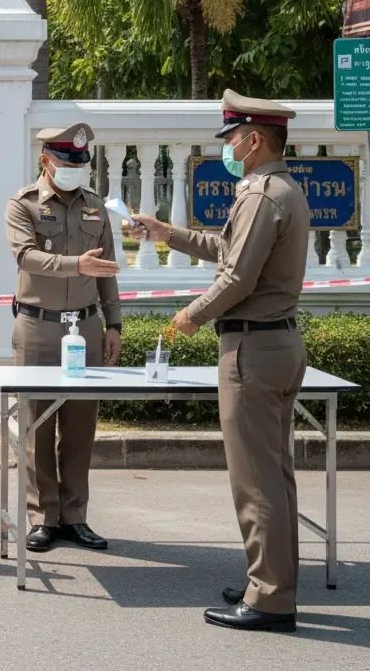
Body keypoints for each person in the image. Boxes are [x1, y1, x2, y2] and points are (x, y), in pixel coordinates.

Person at [126, 91, 308, 633]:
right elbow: (228, 250)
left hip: (253, 348)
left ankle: (271, 598)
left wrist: (192, 316)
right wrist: (167, 234)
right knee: (274, 473)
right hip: (274, 344)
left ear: (254, 140)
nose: (228, 148)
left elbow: (237, 277)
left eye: (231, 139)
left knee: (257, 481)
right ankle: (269, 580)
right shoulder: (279, 190)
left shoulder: (260, 195)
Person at [5, 123, 122, 554]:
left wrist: (114, 325)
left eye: (80, 163)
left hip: (86, 327)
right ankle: (43, 517)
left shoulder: (95, 207)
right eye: (66, 162)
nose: (74, 169)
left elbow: (107, 272)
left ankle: (75, 515)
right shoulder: (24, 204)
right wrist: (77, 265)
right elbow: (25, 256)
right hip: (39, 326)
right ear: (46, 161)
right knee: (37, 425)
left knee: (81, 426)